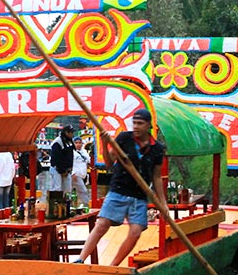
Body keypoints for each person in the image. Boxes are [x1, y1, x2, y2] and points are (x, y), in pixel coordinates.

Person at [75, 109, 166, 266]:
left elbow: (156, 177)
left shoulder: (157, 149)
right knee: (102, 225)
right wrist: (104, 143)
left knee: (136, 232)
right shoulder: (124, 138)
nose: (136, 127)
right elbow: (109, 163)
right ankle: (80, 259)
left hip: (139, 195)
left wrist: (162, 202)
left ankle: (113, 266)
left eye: (140, 123)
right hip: (119, 190)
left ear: (149, 125)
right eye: (134, 123)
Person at [50, 125, 76, 193]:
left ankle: (66, 203)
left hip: (67, 170)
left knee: (67, 190)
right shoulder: (58, 142)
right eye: (71, 132)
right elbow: (56, 158)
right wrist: (61, 171)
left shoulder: (70, 141)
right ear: (66, 132)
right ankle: (55, 203)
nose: (72, 134)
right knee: (57, 189)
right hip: (57, 169)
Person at [71, 136, 91, 206]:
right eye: (76, 143)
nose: (78, 144)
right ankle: (87, 206)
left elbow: (89, 160)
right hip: (75, 175)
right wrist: (73, 173)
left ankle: (72, 206)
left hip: (83, 176)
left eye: (80, 143)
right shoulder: (71, 152)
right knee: (83, 191)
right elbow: (69, 163)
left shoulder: (84, 152)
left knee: (72, 192)